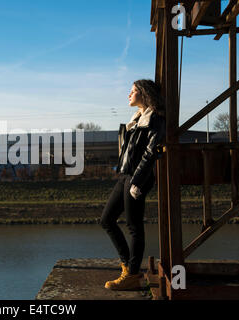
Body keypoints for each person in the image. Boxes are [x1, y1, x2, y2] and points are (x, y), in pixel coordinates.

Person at [101, 79, 166, 290]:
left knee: (134, 226)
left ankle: (132, 274)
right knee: (106, 220)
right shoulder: (137, 119)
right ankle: (129, 267)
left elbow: (149, 153)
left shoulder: (155, 118)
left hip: (138, 177)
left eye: (133, 91)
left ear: (144, 94)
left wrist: (137, 181)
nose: (129, 95)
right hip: (125, 176)